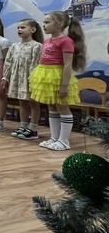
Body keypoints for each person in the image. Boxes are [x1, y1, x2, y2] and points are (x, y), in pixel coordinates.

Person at [31, 11, 86, 151]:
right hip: (47, 77)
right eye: (43, 22)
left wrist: (64, 86)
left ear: (59, 24)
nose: (43, 25)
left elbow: (67, 65)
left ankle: (64, 140)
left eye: (47, 22)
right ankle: (54, 137)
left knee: (62, 107)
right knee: (52, 107)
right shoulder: (47, 41)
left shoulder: (66, 41)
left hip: (58, 77)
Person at [3, 19, 44, 140]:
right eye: (18, 28)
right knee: (22, 102)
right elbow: (8, 62)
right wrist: (5, 76)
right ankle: (23, 126)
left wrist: (34, 79)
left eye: (23, 27)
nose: (19, 30)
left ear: (33, 29)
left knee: (33, 103)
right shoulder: (14, 46)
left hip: (31, 79)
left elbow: (37, 64)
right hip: (18, 79)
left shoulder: (37, 46)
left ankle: (33, 129)